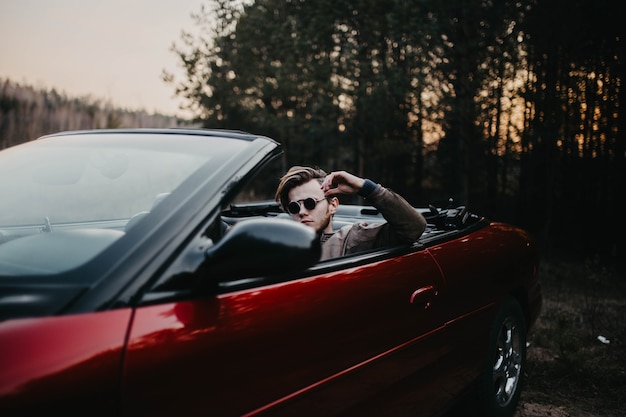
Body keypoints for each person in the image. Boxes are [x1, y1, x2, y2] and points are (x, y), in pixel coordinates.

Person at [275, 166, 427, 261]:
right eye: (294, 207)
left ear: (333, 205)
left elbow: (413, 227)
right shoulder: (281, 247)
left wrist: (366, 188)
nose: (301, 212)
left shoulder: (351, 239)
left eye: (310, 203)